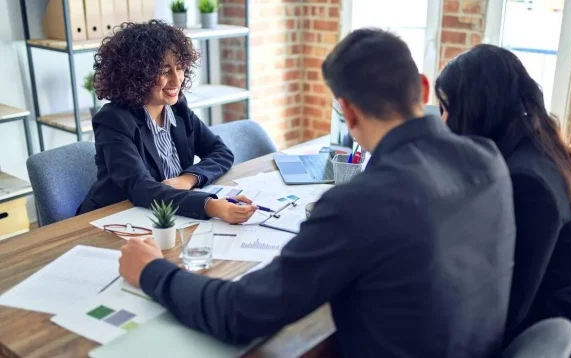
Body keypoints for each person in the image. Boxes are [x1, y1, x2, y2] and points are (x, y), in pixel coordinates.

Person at [118, 29, 517, 357]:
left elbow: (239, 315)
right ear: (424, 88)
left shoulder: (361, 202)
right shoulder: (488, 159)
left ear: (348, 111)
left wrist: (152, 271)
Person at [435, 44, 571, 343]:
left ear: (476, 109)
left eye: (446, 108)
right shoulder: (539, 152)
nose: (443, 122)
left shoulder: (526, 183)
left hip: (530, 338)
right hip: (548, 317)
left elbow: (504, 310)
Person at [77, 20, 257, 223]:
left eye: (179, 67)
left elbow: (221, 152)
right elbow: (141, 188)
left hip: (165, 215)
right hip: (113, 218)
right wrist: (210, 205)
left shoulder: (177, 109)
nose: (176, 80)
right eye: (164, 70)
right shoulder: (113, 121)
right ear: (137, 75)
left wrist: (188, 179)